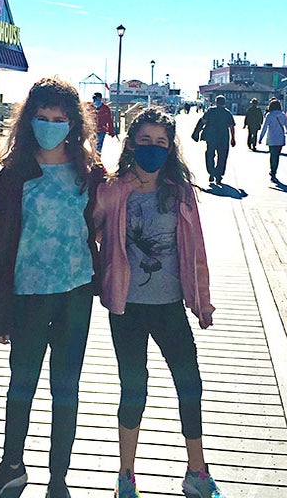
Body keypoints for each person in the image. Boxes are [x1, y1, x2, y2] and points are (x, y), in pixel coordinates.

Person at [0, 77, 105, 498]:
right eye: (43, 118)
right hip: (27, 294)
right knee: (22, 384)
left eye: (59, 119)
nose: (50, 126)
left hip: (75, 294)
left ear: (73, 124)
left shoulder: (90, 173)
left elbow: (108, 225)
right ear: (29, 120)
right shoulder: (13, 175)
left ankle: (58, 480)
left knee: (66, 388)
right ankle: (12, 467)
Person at [93, 107, 226, 498]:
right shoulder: (112, 190)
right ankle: (126, 475)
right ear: (131, 144)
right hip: (127, 307)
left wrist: (202, 302)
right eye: (145, 141)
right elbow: (91, 232)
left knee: (190, 383)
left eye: (161, 142)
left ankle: (196, 471)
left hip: (170, 306)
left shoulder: (180, 192)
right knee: (134, 387)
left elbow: (196, 250)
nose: (152, 148)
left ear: (170, 149)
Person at [200, 95, 236, 186]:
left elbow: (203, 121)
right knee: (222, 157)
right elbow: (231, 126)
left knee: (210, 154)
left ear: (216, 102)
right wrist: (233, 138)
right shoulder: (227, 113)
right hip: (223, 137)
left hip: (211, 136)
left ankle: (211, 172)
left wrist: (198, 131)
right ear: (224, 103)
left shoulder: (210, 111)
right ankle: (218, 175)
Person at [258, 98, 287, 183]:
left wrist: (260, 138)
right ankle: (274, 170)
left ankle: (272, 170)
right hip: (280, 138)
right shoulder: (282, 115)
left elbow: (264, 127)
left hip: (271, 138)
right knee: (277, 156)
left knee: (272, 155)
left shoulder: (269, 115)